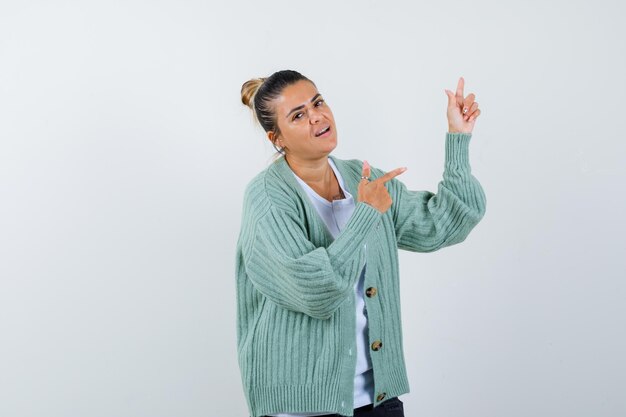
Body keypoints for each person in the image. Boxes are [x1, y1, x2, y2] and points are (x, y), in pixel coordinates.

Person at [235, 69, 486, 417]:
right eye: (299, 115)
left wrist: (458, 139)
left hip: (378, 398)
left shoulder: (361, 178)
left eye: (318, 102)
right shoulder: (267, 198)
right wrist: (366, 212)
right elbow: (316, 291)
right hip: (301, 408)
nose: (317, 116)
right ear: (277, 138)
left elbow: (444, 224)